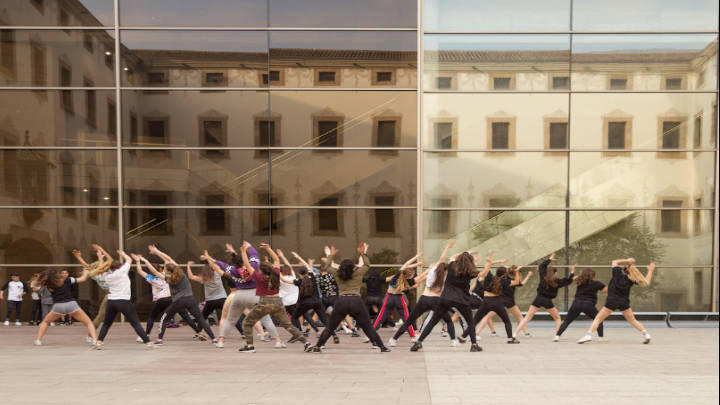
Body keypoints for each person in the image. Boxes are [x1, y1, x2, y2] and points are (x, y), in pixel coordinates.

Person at [410, 251, 502, 353]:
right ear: (470, 262)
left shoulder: (452, 265)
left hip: (445, 298)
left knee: (433, 321)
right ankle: (474, 345)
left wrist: (464, 253)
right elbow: (484, 274)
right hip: (462, 300)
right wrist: (489, 263)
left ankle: (419, 341)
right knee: (470, 322)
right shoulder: (470, 271)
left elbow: (453, 257)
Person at [308, 243, 389, 353]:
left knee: (330, 327)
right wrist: (363, 253)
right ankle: (382, 347)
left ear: (341, 267)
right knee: (368, 327)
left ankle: (317, 347)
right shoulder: (358, 273)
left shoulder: (337, 274)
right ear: (353, 267)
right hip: (356, 301)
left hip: (342, 302)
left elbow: (326, 267)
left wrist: (330, 255)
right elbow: (367, 265)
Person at [201, 244, 283, 349]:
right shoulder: (253, 266)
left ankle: (221, 341)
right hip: (254, 295)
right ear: (246, 260)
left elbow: (220, 264)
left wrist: (208, 257)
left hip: (239, 295)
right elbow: (254, 254)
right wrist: (249, 247)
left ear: (235, 263)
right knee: (265, 319)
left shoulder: (233, 270)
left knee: (230, 320)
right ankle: (277, 341)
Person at [237, 242, 311, 353]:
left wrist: (243, 252)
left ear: (261, 270)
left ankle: (250, 346)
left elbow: (247, 265)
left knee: (247, 322)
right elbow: (276, 259)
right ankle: (306, 343)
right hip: (277, 302)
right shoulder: (276, 273)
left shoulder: (258, 276)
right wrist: (268, 248)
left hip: (264, 302)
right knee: (288, 324)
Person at [389, 240, 458, 347]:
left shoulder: (433, 270)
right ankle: (453, 341)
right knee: (448, 320)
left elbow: (441, 259)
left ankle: (393, 340)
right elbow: (447, 264)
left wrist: (447, 247)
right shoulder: (446, 277)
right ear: (446, 271)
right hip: (436, 301)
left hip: (424, 299)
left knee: (409, 321)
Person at [146, 244, 217, 346]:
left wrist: (145, 261)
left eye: (165, 269)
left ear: (168, 271)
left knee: (164, 319)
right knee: (201, 319)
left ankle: (159, 340)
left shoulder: (168, 278)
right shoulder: (181, 273)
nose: (164, 269)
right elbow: (169, 259)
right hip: (190, 299)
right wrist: (156, 251)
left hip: (178, 301)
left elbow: (154, 271)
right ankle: (214, 339)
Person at [578, 259, 656, 344]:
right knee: (633, 320)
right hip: (624, 302)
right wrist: (650, 270)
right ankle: (646, 334)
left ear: (624, 270)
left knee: (598, 319)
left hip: (612, 300)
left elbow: (614, 262)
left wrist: (627, 260)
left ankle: (588, 335)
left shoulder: (617, 273)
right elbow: (646, 281)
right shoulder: (631, 279)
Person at [93, 250, 156, 350]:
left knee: (106, 323)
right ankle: (148, 343)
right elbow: (129, 260)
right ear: (120, 267)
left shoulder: (106, 276)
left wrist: (100, 258)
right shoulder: (122, 271)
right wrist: (122, 253)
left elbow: (101, 269)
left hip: (111, 301)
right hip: (123, 301)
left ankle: (98, 342)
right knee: (135, 323)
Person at [513, 253, 574, 338]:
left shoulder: (543, 276)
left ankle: (515, 333)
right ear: (555, 273)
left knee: (527, 317)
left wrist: (549, 259)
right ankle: (557, 335)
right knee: (557, 318)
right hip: (547, 301)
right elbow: (568, 281)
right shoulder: (557, 281)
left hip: (538, 299)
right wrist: (572, 272)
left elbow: (541, 266)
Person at [34, 267, 97, 346]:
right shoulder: (66, 280)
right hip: (71, 304)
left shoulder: (48, 284)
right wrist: (86, 271)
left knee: (45, 322)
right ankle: (95, 341)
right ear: (56, 274)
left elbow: (37, 286)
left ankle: (38, 340)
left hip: (58, 306)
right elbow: (83, 279)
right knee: (89, 323)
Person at [459, 264, 522, 344]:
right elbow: (517, 282)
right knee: (506, 321)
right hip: (497, 302)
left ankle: (462, 337)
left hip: (486, 301)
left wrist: (490, 261)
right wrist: (516, 271)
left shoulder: (489, 277)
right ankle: (510, 339)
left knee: (474, 321)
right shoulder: (504, 281)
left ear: (496, 271)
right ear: (504, 274)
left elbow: (487, 268)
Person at [372, 253, 425, 338]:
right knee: (407, 319)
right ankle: (413, 337)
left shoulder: (398, 274)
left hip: (389, 297)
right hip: (399, 298)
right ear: (409, 276)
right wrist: (429, 270)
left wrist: (416, 258)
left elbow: (407, 264)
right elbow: (420, 279)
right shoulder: (408, 282)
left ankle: (370, 335)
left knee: (380, 317)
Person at [289, 251, 338, 343]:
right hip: (317, 301)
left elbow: (287, 281)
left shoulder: (299, 281)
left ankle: (298, 334)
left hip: (305, 303)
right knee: (324, 320)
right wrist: (300, 258)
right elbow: (308, 267)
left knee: (294, 317)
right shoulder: (313, 276)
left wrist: (279, 275)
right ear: (307, 272)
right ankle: (334, 335)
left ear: (299, 273)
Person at [474, 265, 533, 337]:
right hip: (509, 301)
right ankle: (525, 333)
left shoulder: (503, 279)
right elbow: (521, 283)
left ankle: (477, 333)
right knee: (520, 317)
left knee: (487, 316)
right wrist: (528, 276)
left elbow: (502, 271)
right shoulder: (511, 281)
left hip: (500, 300)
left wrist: (505, 266)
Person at [554, 267, 607, 342]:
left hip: (576, 304)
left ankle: (557, 336)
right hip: (588, 305)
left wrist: (573, 272)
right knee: (599, 319)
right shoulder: (597, 283)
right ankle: (601, 337)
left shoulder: (579, 281)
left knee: (567, 320)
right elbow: (605, 290)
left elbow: (573, 278)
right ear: (593, 276)